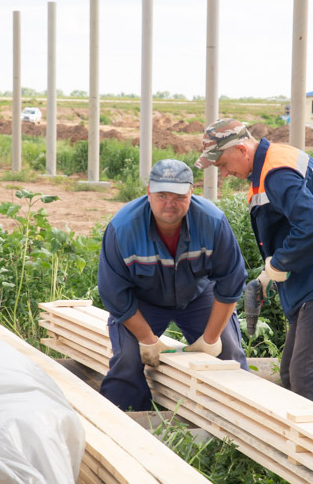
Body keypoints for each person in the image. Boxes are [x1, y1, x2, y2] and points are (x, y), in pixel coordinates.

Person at [195, 118, 313, 408]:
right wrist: (267, 275)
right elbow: (294, 223)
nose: (222, 173)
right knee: (290, 372)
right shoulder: (272, 162)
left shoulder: (275, 173)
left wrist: (280, 263)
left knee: (305, 374)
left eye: (222, 163)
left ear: (241, 150)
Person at [97, 158, 249, 411]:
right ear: (148, 192)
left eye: (178, 196)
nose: (169, 203)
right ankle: (129, 420)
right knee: (127, 360)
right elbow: (115, 294)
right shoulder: (122, 227)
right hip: (142, 302)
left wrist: (210, 339)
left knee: (229, 352)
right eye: (162, 195)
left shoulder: (212, 221)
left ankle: (238, 422)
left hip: (197, 297)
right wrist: (146, 339)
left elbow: (231, 282)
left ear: (191, 191)